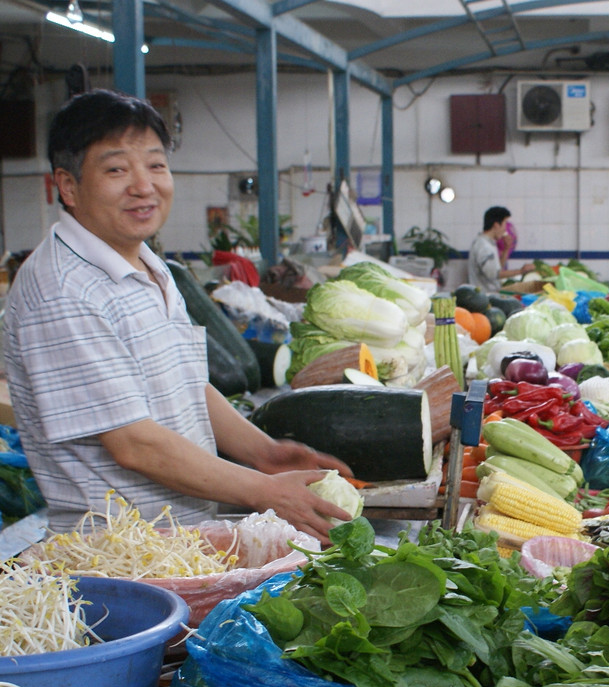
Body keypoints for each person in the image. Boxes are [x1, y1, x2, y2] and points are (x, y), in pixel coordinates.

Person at [2, 89, 354, 543]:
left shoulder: (150, 267)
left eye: (155, 165)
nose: (144, 186)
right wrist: (261, 489)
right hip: (115, 556)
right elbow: (133, 443)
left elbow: (186, 383)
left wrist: (263, 452)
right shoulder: (62, 289)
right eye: (116, 169)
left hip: (178, 542)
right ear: (68, 186)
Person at [467, 206, 533, 293]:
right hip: (485, 296)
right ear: (496, 225)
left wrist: (506, 249)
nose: (505, 229)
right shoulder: (484, 246)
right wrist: (520, 271)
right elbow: (493, 275)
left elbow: (498, 269)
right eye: (505, 223)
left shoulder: (490, 243)